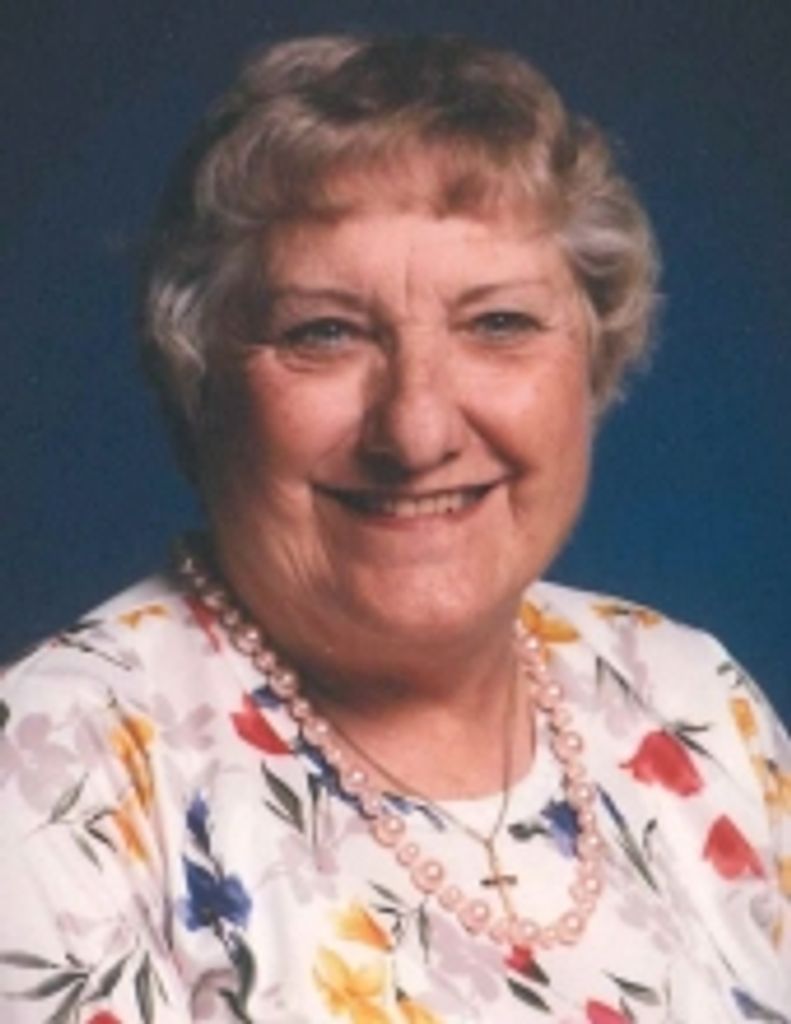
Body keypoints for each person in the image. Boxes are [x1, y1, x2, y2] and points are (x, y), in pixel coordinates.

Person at [0, 33, 788, 1024]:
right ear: (202, 382)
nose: (416, 430)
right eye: (324, 333)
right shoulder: (54, 772)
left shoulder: (692, 701)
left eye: (497, 324)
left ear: (593, 360)